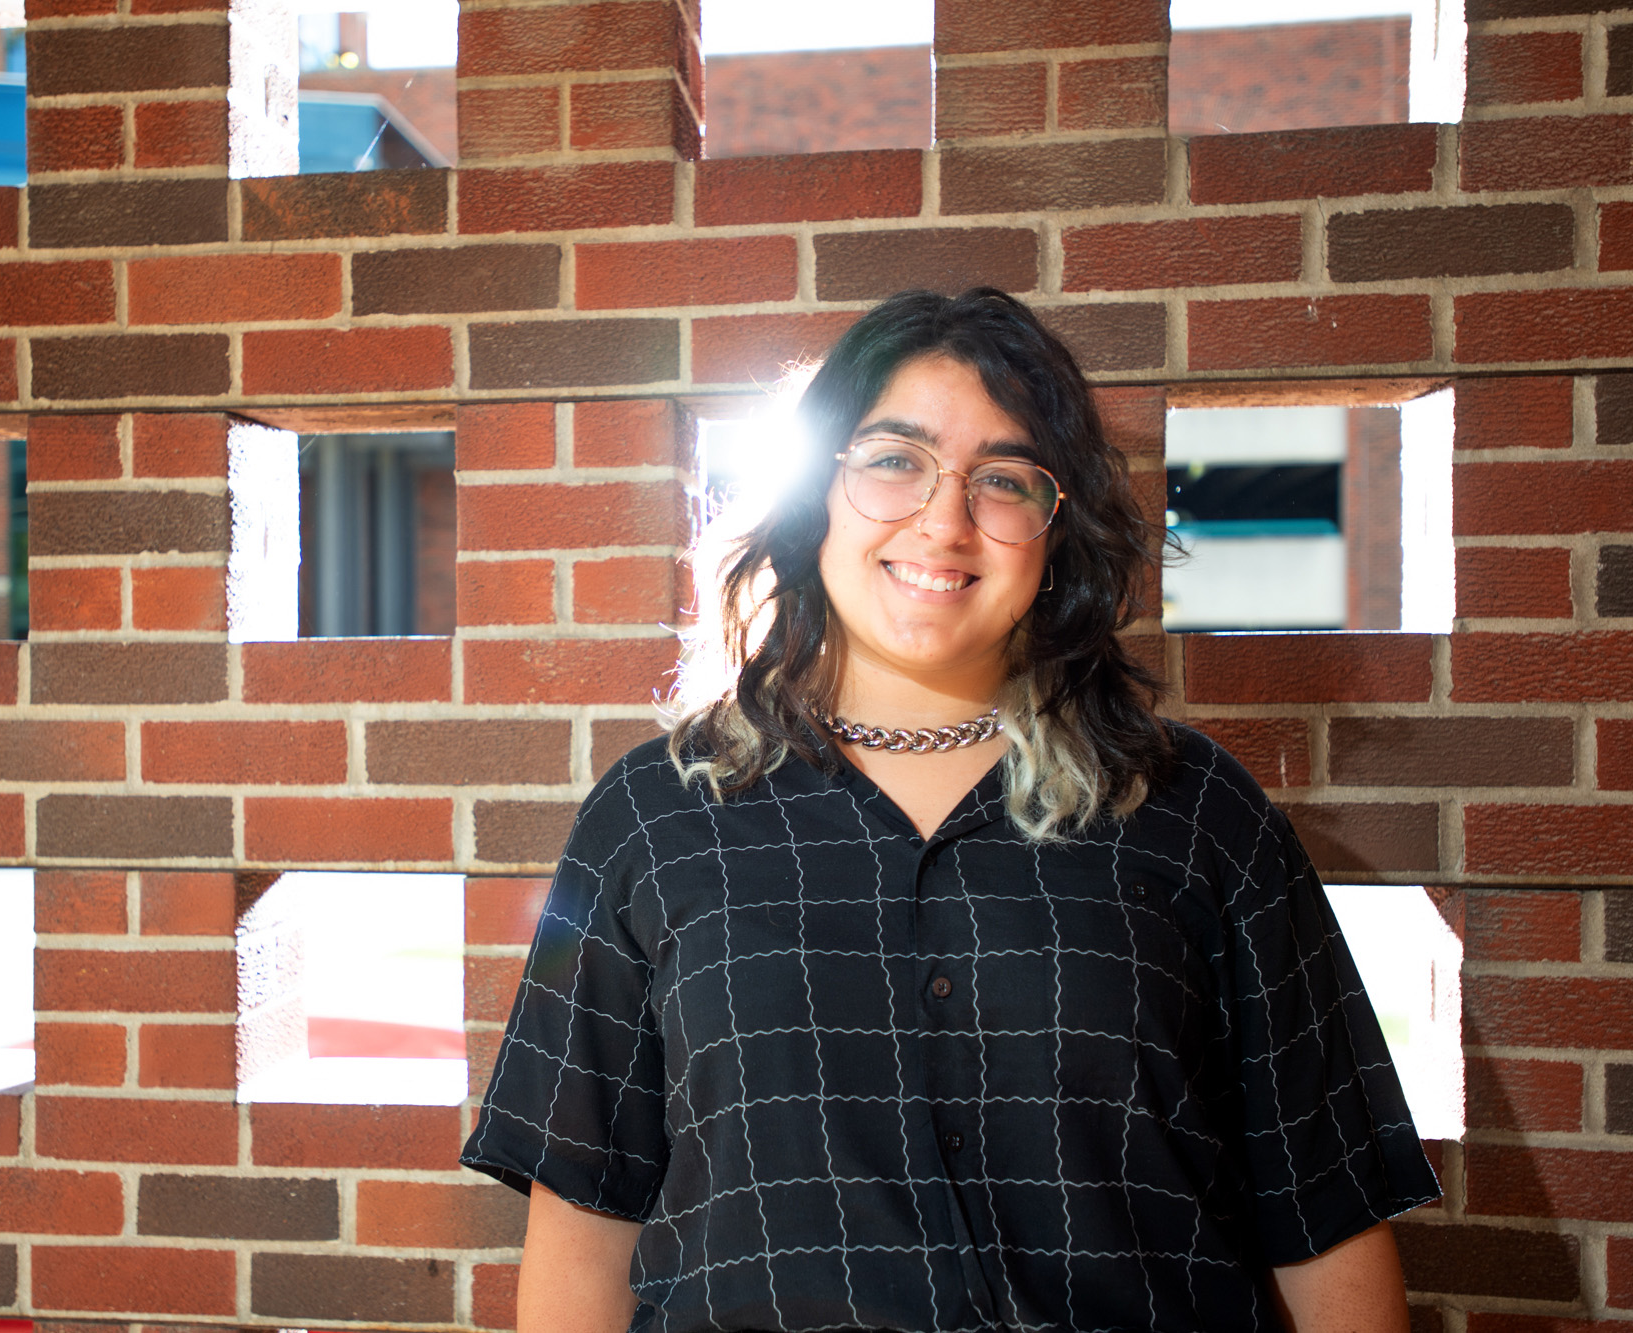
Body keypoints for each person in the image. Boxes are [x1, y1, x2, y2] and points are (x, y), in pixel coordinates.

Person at [460, 288, 1439, 1333]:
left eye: (1003, 480)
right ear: (813, 490)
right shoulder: (652, 820)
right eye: (893, 459)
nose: (943, 519)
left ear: (1057, 529)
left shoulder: (1194, 813)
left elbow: (1322, 1211)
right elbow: (585, 1218)